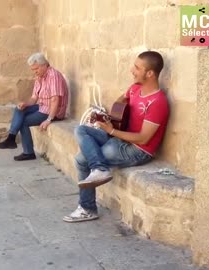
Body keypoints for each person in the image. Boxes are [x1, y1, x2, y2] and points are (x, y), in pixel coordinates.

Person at [63, 51, 169, 223]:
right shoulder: (134, 89)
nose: (131, 70)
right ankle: (99, 169)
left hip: (137, 149)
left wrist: (111, 131)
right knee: (81, 130)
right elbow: (119, 104)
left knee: (82, 160)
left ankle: (87, 207)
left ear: (150, 73)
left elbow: (143, 139)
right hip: (120, 137)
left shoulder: (158, 102)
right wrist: (107, 118)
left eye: (137, 68)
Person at [0, 53, 69, 161]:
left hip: (53, 112)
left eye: (36, 69)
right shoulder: (39, 77)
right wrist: (25, 104)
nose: (35, 72)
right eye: (33, 69)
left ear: (44, 65)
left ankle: (28, 152)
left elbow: (55, 99)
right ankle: (11, 138)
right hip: (43, 107)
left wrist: (49, 119)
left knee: (23, 122)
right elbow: (34, 98)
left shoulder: (53, 76)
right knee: (19, 109)